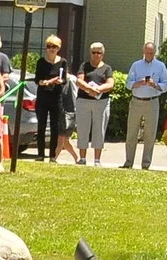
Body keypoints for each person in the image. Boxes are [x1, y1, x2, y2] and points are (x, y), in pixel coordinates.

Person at [123, 41, 167, 169]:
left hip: (152, 101)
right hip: (137, 101)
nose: (149, 55)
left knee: (150, 134)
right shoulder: (136, 65)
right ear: (143, 52)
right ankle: (128, 162)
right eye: (147, 52)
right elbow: (128, 83)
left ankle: (146, 164)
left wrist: (155, 85)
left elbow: (166, 85)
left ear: (155, 53)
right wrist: (138, 83)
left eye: (152, 53)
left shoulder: (160, 66)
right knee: (131, 133)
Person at [34, 35, 73, 163]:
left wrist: (60, 81)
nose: (51, 49)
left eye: (54, 47)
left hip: (56, 97)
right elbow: (37, 80)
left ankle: (52, 156)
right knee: (41, 125)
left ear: (59, 48)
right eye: (49, 46)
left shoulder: (62, 62)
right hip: (43, 97)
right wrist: (48, 81)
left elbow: (65, 80)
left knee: (55, 127)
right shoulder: (41, 61)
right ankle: (40, 155)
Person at [74, 42, 114, 165]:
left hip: (101, 102)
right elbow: (79, 81)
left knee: (99, 130)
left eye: (99, 53)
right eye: (94, 52)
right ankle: (82, 158)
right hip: (83, 101)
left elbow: (110, 84)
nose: (96, 55)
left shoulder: (107, 68)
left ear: (103, 54)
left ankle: (97, 160)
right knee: (82, 129)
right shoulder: (84, 66)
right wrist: (89, 89)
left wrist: (98, 90)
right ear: (90, 53)